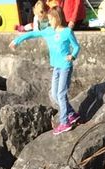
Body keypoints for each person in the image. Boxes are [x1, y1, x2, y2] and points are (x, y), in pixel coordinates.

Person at [12, 5, 80, 134]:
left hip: (65, 67)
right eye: (48, 19)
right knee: (54, 94)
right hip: (56, 67)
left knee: (61, 94)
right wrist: (17, 40)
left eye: (51, 19)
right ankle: (71, 114)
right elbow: (32, 33)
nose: (49, 22)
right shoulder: (49, 31)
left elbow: (76, 47)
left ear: (58, 18)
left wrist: (73, 56)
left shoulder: (67, 32)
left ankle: (65, 122)